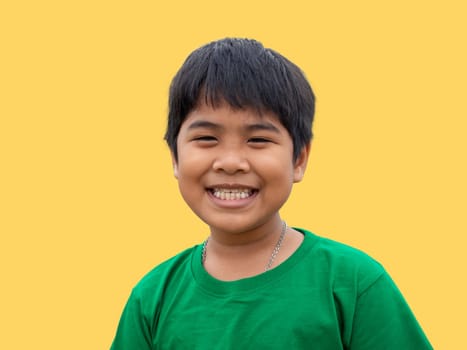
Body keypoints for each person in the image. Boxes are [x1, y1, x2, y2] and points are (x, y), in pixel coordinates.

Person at [111, 38, 432, 349]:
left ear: (299, 159)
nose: (231, 162)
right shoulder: (152, 297)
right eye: (207, 138)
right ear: (175, 158)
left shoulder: (352, 283)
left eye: (258, 140)